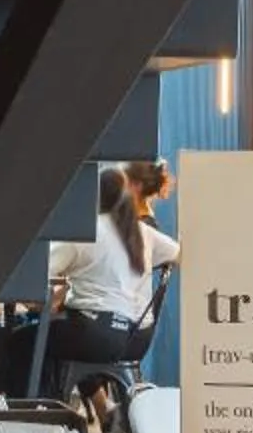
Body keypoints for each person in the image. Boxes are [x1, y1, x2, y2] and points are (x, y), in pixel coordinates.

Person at [37, 159, 178, 385]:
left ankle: (38, 409)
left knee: (24, 341)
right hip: (136, 339)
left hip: (94, 333)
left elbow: (41, 268)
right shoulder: (144, 231)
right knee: (54, 333)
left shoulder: (85, 232)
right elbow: (180, 254)